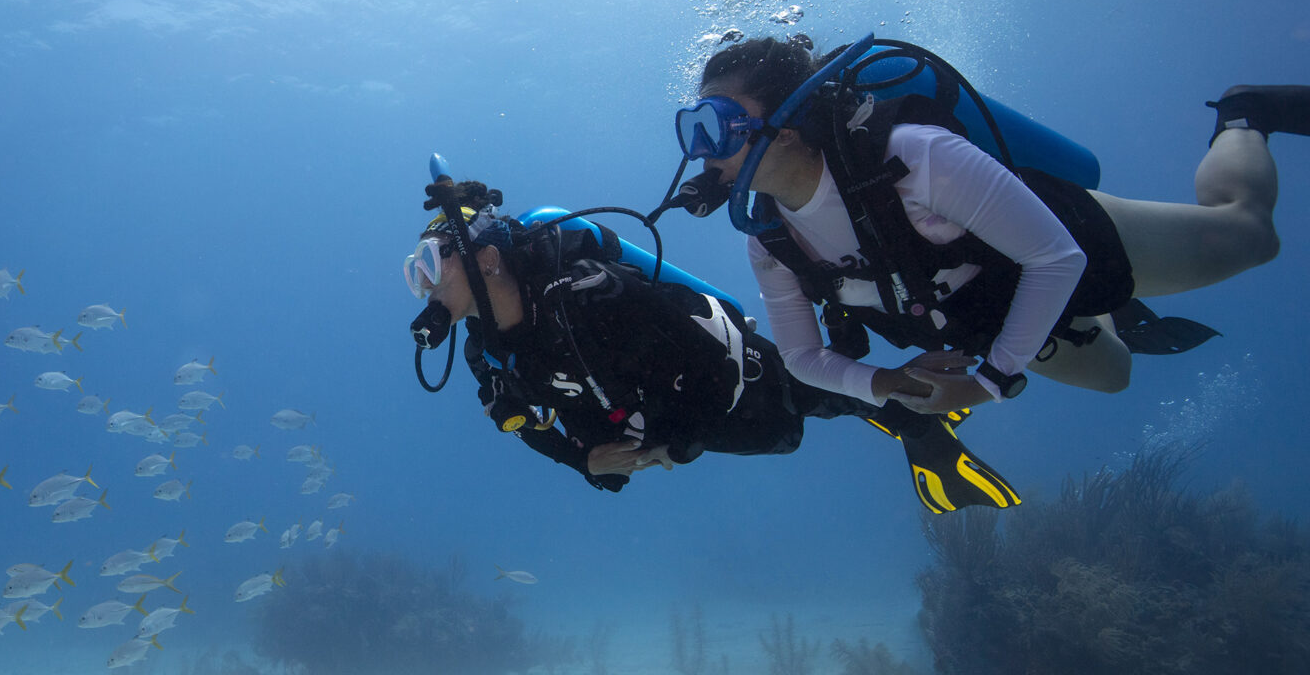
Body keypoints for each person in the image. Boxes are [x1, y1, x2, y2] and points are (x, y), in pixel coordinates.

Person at [674, 33, 1310, 415]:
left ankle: (1246, 112)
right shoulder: (767, 235)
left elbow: (1056, 257)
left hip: (1060, 240)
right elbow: (801, 358)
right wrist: (882, 384)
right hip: (994, 306)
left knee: (1253, 234)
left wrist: (987, 382)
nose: (701, 155)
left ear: (789, 124)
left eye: (717, 127)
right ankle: (1113, 316)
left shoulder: (912, 159)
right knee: (1116, 376)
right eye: (692, 129)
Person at [405, 174, 1018, 509]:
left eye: (431, 263)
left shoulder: (588, 293)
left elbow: (695, 340)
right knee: (812, 409)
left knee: (813, 395)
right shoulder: (484, 348)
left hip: (738, 380)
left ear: (487, 260)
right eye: (416, 270)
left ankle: (921, 425)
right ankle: (901, 411)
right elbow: (512, 417)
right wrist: (582, 460)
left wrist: (677, 439)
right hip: (676, 427)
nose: (423, 283)